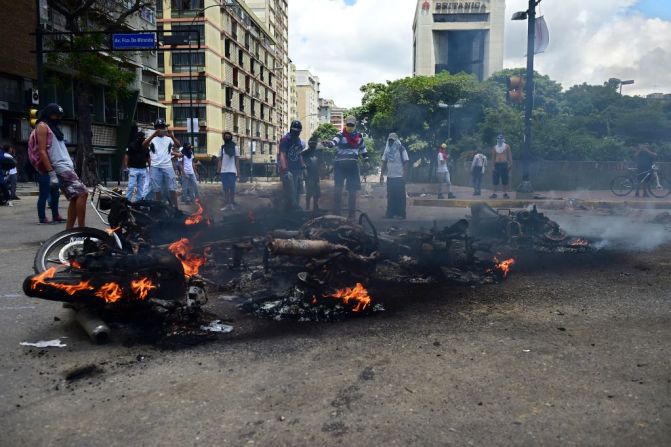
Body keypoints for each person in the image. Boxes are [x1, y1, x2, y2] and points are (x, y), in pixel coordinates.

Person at [34, 103, 88, 228]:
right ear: (48, 114)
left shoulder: (53, 128)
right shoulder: (42, 126)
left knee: (75, 197)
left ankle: (69, 231)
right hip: (59, 167)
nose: (58, 118)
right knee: (83, 193)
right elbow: (42, 150)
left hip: (66, 166)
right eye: (55, 115)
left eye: (59, 116)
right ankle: (82, 229)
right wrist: (51, 173)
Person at [330, 115, 369, 220]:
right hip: (340, 164)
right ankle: (336, 214)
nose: (350, 126)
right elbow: (334, 142)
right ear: (345, 124)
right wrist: (329, 144)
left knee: (352, 191)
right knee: (338, 189)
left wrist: (366, 161)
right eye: (348, 124)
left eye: (352, 125)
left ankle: (351, 215)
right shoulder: (340, 134)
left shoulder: (359, 136)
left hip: (353, 165)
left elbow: (363, 149)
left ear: (355, 125)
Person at [143, 118, 182, 208]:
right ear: (156, 128)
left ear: (165, 128)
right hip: (155, 167)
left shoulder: (168, 139)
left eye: (162, 127)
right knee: (157, 190)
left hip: (167, 166)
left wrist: (171, 136)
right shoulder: (152, 138)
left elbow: (179, 145)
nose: (161, 129)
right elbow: (144, 145)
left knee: (172, 188)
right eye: (159, 127)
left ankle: (176, 208)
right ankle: (159, 208)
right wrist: (154, 135)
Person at [381, 133, 410, 219]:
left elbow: (406, 162)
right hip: (390, 177)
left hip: (399, 177)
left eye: (392, 140)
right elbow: (384, 162)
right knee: (390, 196)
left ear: (396, 140)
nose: (391, 142)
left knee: (400, 196)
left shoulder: (401, 149)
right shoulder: (387, 150)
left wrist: (405, 175)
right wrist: (381, 175)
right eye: (389, 140)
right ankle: (390, 214)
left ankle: (401, 214)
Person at [278, 120, 306, 211]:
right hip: (288, 169)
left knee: (298, 189)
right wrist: (285, 169)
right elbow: (282, 154)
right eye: (295, 131)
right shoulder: (286, 139)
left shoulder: (298, 141)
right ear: (291, 130)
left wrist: (303, 165)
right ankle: (289, 208)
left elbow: (300, 154)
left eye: (298, 131)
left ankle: (296, 206)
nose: (297, 133)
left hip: (296, 169)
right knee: (290, 190)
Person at [124, 130, 149, 202]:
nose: (142, 139)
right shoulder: (131, 145)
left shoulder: (145, 146)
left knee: (141, 187)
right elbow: (127, 155)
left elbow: (148, 157)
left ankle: (138, 202)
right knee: (131, 186)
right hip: (133, 168)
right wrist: (126, 165)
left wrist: (150, 166)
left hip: (143, 168)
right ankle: (127, 201)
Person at [218, 131, 240, 211]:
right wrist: (218, 171)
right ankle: (227, 204)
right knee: (226, 189)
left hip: (232, 171)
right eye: (225, 136)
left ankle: (232, 203)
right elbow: (220, 160)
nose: (227, 138)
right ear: (224, 138)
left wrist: (238, 173)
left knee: (232, 188)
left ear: (231, 138)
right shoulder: (222, 148)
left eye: (228, 136)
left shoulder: (235, 147)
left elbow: (237, 160)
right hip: (223, 171)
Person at [302, 135, 323, 211]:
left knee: (317, 191)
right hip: (308, 174)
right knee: (309, 191)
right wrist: (304, 167)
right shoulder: (305, 153)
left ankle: (315, 206)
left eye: (314, 143)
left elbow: (320, 163)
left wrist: (321, 171)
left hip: (316, 175)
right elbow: (301, 158)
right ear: (309, 144)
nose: (313, 145)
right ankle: (307, 207)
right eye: (311, 143)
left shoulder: (318, 153)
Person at [490, 134, 512, 199]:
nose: (499, 140)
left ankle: (505, 193)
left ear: (503, 139)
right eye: (498, 139)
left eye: (501, 138)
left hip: (504, 164)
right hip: (496, 165)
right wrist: (493, 166)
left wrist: (510, 164)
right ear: (497, 140)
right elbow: (493, 157)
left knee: (505, 180)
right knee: (495, 180)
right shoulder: (494, 147)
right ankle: (494, 193)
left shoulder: (507, 147)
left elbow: (509, 156)